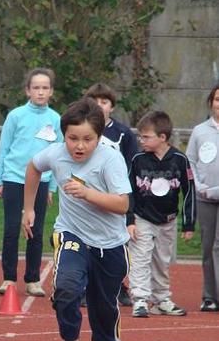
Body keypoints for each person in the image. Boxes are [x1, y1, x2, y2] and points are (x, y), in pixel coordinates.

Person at [22, 97, 130, 341]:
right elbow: (33, 167)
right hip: (72, 234)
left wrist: (88, 193)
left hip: (109, 245)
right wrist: (29, 209)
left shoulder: (110, 159)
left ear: (99, 137)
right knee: (67, 288)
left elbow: (122, 204)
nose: (79, 146)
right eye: (72, 138)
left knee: (103, 309)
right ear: (63, 135)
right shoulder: (56, 154)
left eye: (87, 139)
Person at [0, 67, 62, 297]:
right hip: (14, 177)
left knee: (36, 229)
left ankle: (33, 279)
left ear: (51, 91)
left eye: (45, 88)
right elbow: (4, 148)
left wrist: (52, 186)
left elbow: (57, 155)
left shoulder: (55, 119)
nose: (40, 92)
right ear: (27, 90)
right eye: (36, 88)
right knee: (12, 228)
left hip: (42, 181)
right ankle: (9, 278)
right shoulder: (15, 116)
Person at [128, 110, 196, 318]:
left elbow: (189, 191)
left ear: (162, 137)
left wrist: (188, 223)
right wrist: (129, 220)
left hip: (167, 220)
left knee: (161, 260)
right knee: (140, 257)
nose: (141, 140)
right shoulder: (138, 160)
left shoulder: (179, 160)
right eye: (140, 136)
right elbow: (128, 190)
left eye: (146, 137)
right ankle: (139, 299)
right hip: (142, 217)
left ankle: (161, 299)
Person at [84, 82, 139, 307]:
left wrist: (131, 211)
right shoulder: (83, 131)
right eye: (95, 102)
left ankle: (119, 286)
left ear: (112, 106)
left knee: (117, 242)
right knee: (87, 241)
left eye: (104, 102)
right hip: (89, 195)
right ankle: (86, 286)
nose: (99, 106)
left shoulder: (123, 133)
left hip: (115, 196)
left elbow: (132, 167)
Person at [186, 84, 219, 312]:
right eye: (217, 99)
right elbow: (190, 162)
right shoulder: (200, 131)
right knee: (208, 247)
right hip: (205, 197)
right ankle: (210, 296)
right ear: (211, 102)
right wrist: (199, 186)